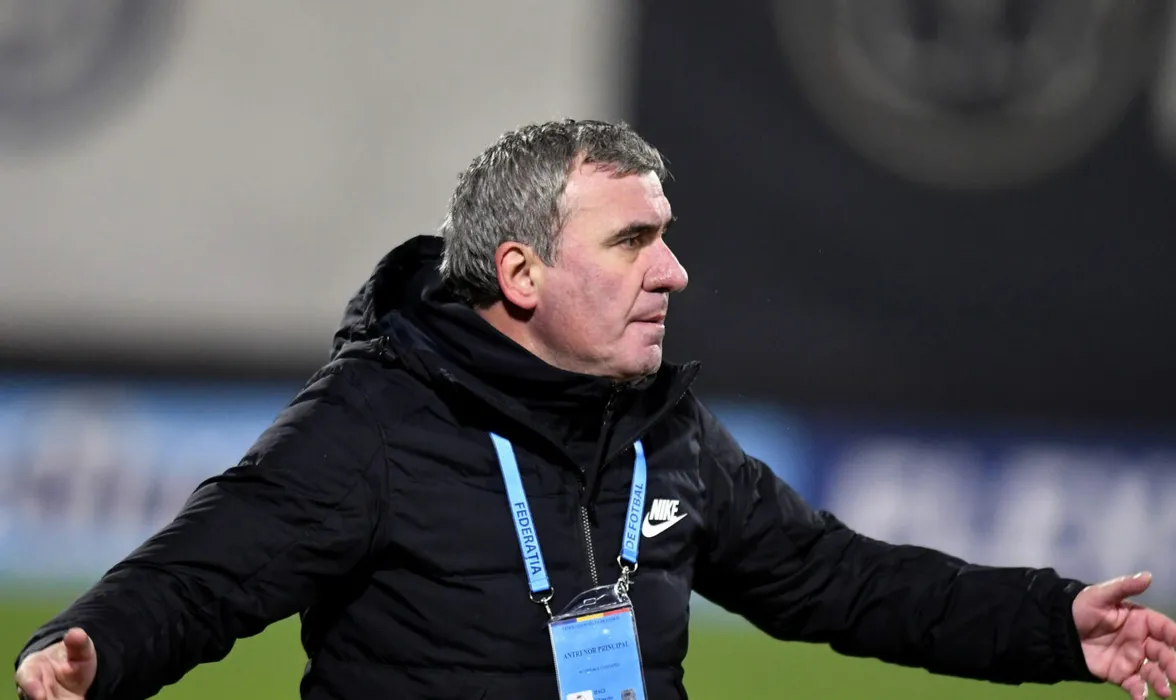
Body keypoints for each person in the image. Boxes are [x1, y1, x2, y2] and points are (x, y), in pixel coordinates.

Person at [12, 119, 1176, 700]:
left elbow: (843, 580)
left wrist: (1052, 624)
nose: (673, 271)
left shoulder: (665, 430)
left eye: (665, 237)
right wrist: (90, 649)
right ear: (521, 275)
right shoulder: (375, 420)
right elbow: (207, 569)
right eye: (632, 241)